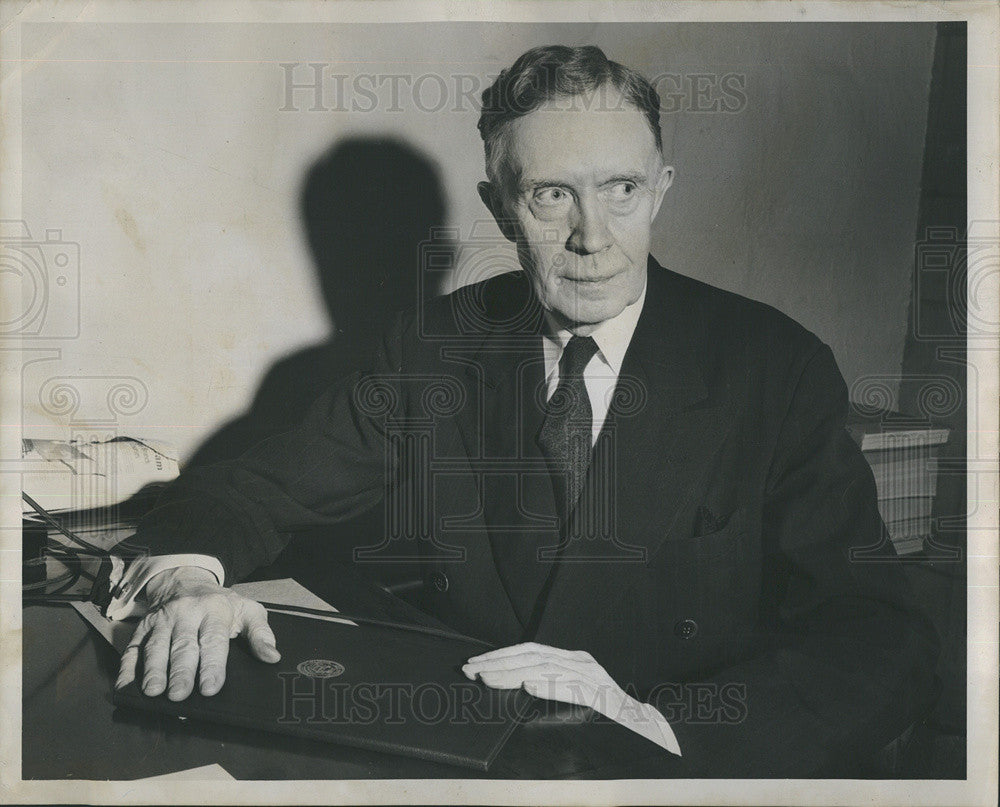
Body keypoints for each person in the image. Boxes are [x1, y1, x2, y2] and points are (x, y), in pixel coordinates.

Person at [114, 44, 938, 777]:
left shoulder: (773, 366)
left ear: (661, 191)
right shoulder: (439, 344)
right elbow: (251, 488)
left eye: (621, 189)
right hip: (465, 762)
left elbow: (877, 637)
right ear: (502, 205)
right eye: (551, 195)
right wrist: (188, 580)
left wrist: (661, 728)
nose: (593, 236)